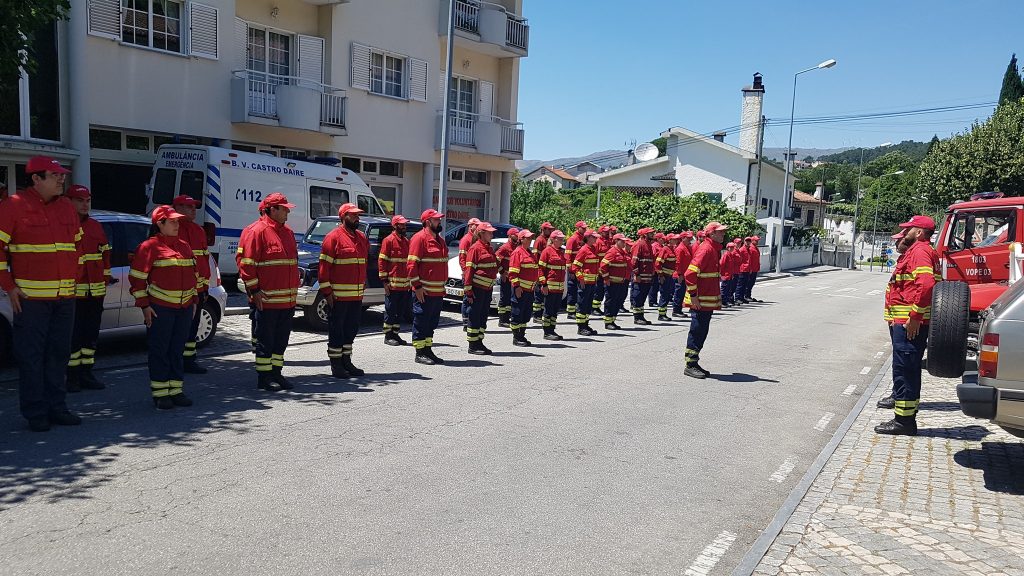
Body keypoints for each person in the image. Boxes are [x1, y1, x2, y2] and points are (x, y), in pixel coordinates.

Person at [0, 156, 82, 431]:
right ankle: (36, 412)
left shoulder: (67, 207)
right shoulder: (12, 206)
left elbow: (77, 248)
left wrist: (74, 281)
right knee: (31, 357)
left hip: (65, 298)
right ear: (36, 178)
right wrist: (9, 286)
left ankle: (57, 407)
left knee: (59, 354)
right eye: (55, 175)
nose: (61, 179)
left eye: (62, 174)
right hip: (31, 301)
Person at [875, 215, 940, 436]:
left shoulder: (920, 251)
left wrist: (915, 316)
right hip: (905, 322)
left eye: (909, 229)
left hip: (909, 325)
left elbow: (926, 284)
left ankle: (904, 421)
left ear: (919, 232)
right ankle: (904, 418)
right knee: (907, 369)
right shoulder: (919, 251)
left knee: (906, 369)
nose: (905, 232)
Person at [130, 206, 199, 409]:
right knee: (160, 351)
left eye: (178, 221)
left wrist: (194, 300)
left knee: (177, 350)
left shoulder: (184, 246)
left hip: (184, 308)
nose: (177, 224)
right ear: (160, 224)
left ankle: (176, 390)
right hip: (161, 308)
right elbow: (137, 280)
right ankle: (160, 394)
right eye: (172, 221)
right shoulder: (149, 247)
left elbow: (194, 276)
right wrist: (144, 306)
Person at [236, 193, 300, 392]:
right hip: (267, 300)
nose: (288, 212)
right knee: (266, 341)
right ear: (272, 210)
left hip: (287, 301)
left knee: (281, 341)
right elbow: (246, 265)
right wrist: (254, 291)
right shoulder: (256, 231)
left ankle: (276, 373)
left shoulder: (288, 233)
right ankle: (264, 378)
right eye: (284, 208)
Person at [65, 185, 111, 393]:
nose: (85, 205)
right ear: (69, 201)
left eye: (88, 201)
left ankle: (86, 373)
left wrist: (105, 278)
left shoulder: (95, 226)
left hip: (95, 292)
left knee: (90, 336)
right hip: (73, 293)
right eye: (80, 200)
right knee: (73, 337)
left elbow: (105, 253)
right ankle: (71, 376)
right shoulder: (65, 226)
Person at [320, 203, 370, 378]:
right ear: (343, 217)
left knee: (351, 330)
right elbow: (324, 269)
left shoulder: (361, 237)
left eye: (358, 215)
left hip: (356, 297)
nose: (357, 218)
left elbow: (363, 264)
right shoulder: (333, 237)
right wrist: (327, 293)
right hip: (338, 298)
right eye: (353, 215)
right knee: (337, 331)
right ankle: (336, 365)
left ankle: (346, 361)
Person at [172, 194, 211, 374]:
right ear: (177, 208)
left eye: (195, 206)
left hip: (198, 289)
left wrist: (205, 286)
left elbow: (204, 260)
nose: (194, 210)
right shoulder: (172, 229)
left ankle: (189, 360)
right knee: (178, 329)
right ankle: (175, 361)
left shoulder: (198, 230)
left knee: (193, 326)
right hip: (179, 291)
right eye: (189, 207)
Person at [683, 222, 727, 379]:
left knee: (701, 331)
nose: (723, 234)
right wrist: (694, 296)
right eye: (720, 232)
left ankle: (694, 362)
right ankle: (690, 365)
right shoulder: (706, 249)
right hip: (700, 301)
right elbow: (689, 274)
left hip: (705, 301)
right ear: (712, 234)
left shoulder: (713, 249)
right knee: (697, 331)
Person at [408, 209, 449, 365]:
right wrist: (417, 287)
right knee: (421, 322)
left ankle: (428, 349)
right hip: (424, 291)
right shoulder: (419, 239)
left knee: (431, 323)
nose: (439, 222)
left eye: (439, 219)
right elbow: (411, 265)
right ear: (427, 222)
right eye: (436, 220)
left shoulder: (440, 240)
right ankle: (420, 352)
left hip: (437, 292)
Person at [877, 229, 912, 410]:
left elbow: (919, 289)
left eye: (899, 240)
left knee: (903, 362)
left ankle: (899, 396)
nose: (896, 244)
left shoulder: (913, 259)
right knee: (900, 361)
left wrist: (912, 316)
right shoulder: (903, 259)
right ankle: (897, 394)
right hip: (898, 318)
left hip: (905, 321)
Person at [464, 221, 498, 354]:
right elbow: (469, 270)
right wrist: (468, 290)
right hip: (477, 289)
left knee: (483, 316)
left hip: (487, 289)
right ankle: (472, 345)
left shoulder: (489, 247)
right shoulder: (475, 248)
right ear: (482, 233)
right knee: (475, 316)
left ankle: (479, 342)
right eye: (489, 233)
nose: (492, 235)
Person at [379, 215, 412, 346]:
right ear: (395, 226)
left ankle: (395, 334)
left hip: (404, 286)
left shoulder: (406, 241)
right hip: (392, 285)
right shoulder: (388, 241)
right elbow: (382, 261)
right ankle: (388, 336)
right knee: (391, 310)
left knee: (400, 312)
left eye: (405, 224)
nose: (404, 227)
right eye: (401, 225)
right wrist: (384, 281)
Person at [508, 229, 539, 347]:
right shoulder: (517, 253)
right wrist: (516, 286)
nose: (530, 239)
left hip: (529, 290)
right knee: (517, 313)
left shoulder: (529, 253)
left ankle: (522, 335)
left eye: (531, 237)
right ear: (521, 239)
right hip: (520, 289)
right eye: (528, 238)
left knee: (525, 314)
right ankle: (516, 337)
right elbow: (513, 273)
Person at [537, 229, 568, 341]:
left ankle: (552, 329)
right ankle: (547, 332)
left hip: (559, 288)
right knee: (548, 310)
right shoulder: (547, 251)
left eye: (562, 239)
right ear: (553, 239)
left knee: (555, 311)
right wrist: (544, 284)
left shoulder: (561, 252)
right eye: (560, 239)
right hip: (550, 287)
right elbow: (540, 269)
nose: (562, 241)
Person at [571, 229, 601, 336]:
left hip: (592, 283)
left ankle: (586, 324)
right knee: (582, 305)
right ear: (588, 238)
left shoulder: (594, 249)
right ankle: (581, 327)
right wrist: (581, 279)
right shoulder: (583, 250)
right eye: (594, 237)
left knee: (588, 306)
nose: (596, 239)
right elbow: (575, 267)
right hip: (585, 283)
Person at [599, 233, 630, 330]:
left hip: (621, 282)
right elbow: (602, 266)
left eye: (624, 241)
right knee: (611, 302)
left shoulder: (622, 252)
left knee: (617, 302)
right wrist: (606, 278)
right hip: (612, 283)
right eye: (622, 241)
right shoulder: (612, 252)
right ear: (616, 241)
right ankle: (608, 322)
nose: (624, 243)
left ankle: (612, 320)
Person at [458, 218, 481, 331]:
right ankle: (466, 322)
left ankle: (471, 321)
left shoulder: (476, 239)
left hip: (474, 275)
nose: (478, 227)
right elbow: (462, 259)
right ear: (470, 226)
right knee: (467, 298)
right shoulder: (466, 240)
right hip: (468, 274)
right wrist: (466, 272)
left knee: (472, 299)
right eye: (476, 225)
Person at [630, 227, 656, 325]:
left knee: (642, 298)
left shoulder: (648, 244)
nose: (652, 235)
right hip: (640, 277)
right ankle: (637, 318)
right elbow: (634, 261)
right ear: (645, 235)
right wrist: (637, 274)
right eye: (650, 233)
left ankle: (641, 316)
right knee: (638, 297)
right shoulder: (639, 244)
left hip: (647, 277)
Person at [495, 227, 520, 328]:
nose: (517, 237)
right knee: (504, 298)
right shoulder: (504, 248)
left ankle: (507, 318)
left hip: (513, 278)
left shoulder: (517, 247)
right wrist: (502, 272)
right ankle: (502, 320)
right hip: (506, 277)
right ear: (510, 236)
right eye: (515, 235)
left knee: (510, 298)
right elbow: (496, 260)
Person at [563, 221, 588, 318]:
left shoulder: (584, 238)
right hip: (573, 270)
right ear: (578, 228)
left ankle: (578, 309)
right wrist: (570, 270)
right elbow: (568, 256)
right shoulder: (572, 239)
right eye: (583, 228)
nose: (585, 229)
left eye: (585, 228)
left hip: (581, 270)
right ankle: (570, 312)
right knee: (572, 290)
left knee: (580, 291)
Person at [531, 222, 553, 323]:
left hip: (546, 271)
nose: (551, 231)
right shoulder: (539, 240)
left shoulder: (548, 240)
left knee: (544, 294)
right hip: (540, 270)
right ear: (543, 229)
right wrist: (537, 271)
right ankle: (536, 316)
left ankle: (542, 314)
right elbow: (535, 257)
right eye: (549, 229)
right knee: (538, 294)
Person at [654, 233, 678, 321]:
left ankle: (664, 313)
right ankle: (661, 315)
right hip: (664, 276)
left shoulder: (672, 249)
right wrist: (661, 275)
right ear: (669, 240)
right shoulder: (665, 249)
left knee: (668, 294)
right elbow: (657, 263)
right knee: (664, 295)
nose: (676, 240)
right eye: (674, 239)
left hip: (670, 276)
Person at [672, 231, 694, 317]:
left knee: (682, 293)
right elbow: (678, 263)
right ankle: (676, 310)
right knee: (679, 293)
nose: (690, 240)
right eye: (688, 238)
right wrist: (680, 274)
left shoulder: (687, 247)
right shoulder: (680, 249)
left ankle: (679, 309)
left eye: (690, 238)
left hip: (685, 275)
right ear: (683, 238)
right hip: (680, 275)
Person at [591, 225, 612, 316]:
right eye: (605, 232)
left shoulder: (608, 241)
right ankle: (594, 308)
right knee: (598, 290)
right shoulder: (598, 242)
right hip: (599, 270)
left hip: (606, 269)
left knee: (602, 290)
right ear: (601, 232)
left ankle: (597, 307)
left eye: (608, 231)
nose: (607, 233)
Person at [648, 232, 665, 308]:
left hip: (659, 268)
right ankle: (652, 301)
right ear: (657, 239)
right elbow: (653, 256)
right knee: (654, 285)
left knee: (657, 285)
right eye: (662, 238)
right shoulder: (654, 246)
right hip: (655, 268)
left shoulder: (661, 246)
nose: (663, 240)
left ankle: (654, 300)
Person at [733, 236, 751, 305]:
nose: (748, 242)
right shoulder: (742, 249)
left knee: (744, 285)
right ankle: (737, 298)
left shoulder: (747, 249)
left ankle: (741, 297)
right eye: (747, 241)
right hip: (742, 269)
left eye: (749, 241)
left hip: (747, 269)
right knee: (740, 285)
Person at [745, 235, 763, 302]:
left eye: (758, 240)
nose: (757, 242)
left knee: (751, 283)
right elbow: (749, 259)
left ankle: (748, 295)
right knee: (749, 283)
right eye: (756, 240)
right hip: (751, 269)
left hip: (755, 268)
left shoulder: (755, 248)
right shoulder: (751, 248)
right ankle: (746, 296)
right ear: (752, 241)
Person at [720, 242, 738, 307]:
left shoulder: (731, 255)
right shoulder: (726, 255)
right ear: (727, 248)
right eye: (730, 247)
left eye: (733, 247)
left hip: (730, 275)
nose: (732, 248)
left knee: (728, 289)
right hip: (726, 275)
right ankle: (722, 302)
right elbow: (722, 264)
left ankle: (726, 301)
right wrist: (722, 274)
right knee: (724, 289)